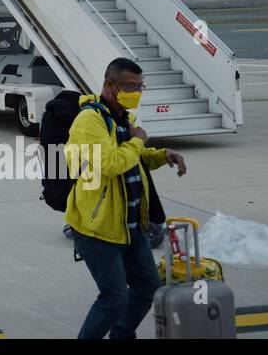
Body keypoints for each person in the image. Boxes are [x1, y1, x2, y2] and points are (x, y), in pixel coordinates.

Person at [65, 57, 187, 339]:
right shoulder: (89, 121)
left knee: (148, 287)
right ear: (110, 85)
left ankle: (121, 335)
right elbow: (110, 163)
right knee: (114, 298)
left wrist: (159, 155)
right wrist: (138, 141)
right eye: (130, 86)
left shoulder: (122, 118)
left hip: (130, 225)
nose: (137, 92)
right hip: (99, 228)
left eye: (140, 86)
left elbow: (132, 158)